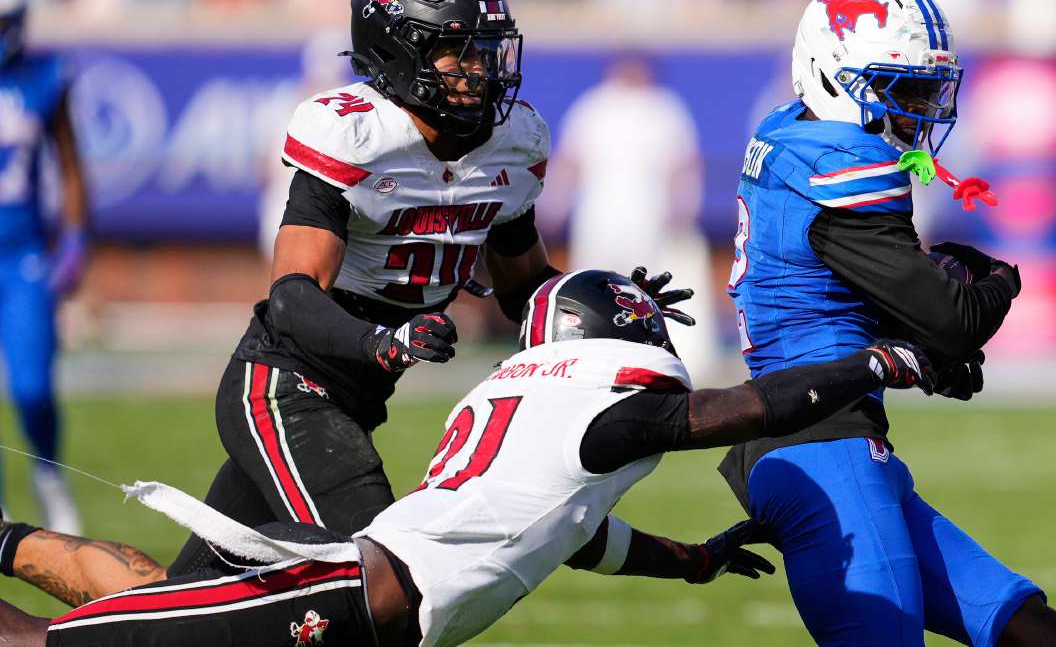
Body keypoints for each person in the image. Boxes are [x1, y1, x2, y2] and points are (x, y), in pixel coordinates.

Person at [113, 0, 689, 585]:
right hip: (282, 387)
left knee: (182, 601)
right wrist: (380, 342)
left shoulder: (513, 145)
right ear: (396, 50)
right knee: (381, 583)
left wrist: (606, 307)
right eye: (455, 51)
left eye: (485, 50)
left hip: (355, 398)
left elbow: (525, 287)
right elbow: (290, 298)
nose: (478, 70)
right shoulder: (355, 135)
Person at [0, 269, 936, 647]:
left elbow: (569, 532)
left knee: (134, 605)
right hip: (342, 604)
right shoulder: (599, 410)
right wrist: (867, 363)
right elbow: (734, 409)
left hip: (347, 592)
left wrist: (686, 560)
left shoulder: (529, 408)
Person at [719, 0, 1056, 647]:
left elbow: (824, 288)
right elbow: (954, 319)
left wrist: (921, 350)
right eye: (901, 88)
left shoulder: (789, 133)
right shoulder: (838, 163)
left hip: (825, 424)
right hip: (819, 441)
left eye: (926, 88)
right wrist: (999, 279)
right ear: (831, 74)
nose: (920, 109)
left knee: (1030, 631)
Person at [554, 55, 721, 382]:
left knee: (643, 289)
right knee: (591, 285)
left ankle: (648, 352)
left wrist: (684, 206)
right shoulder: (596, 106)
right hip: (599, 213)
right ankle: (586, 351)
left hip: (647, 212)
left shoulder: (661, 108)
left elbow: (682, 164)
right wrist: (555, 204)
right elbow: (572, 160)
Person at [0, 0, 89, 534]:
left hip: (22, 249)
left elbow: (71, 164)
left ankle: (48, 475)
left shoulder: (44, 75)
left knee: (32, 385)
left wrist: (76, 237)